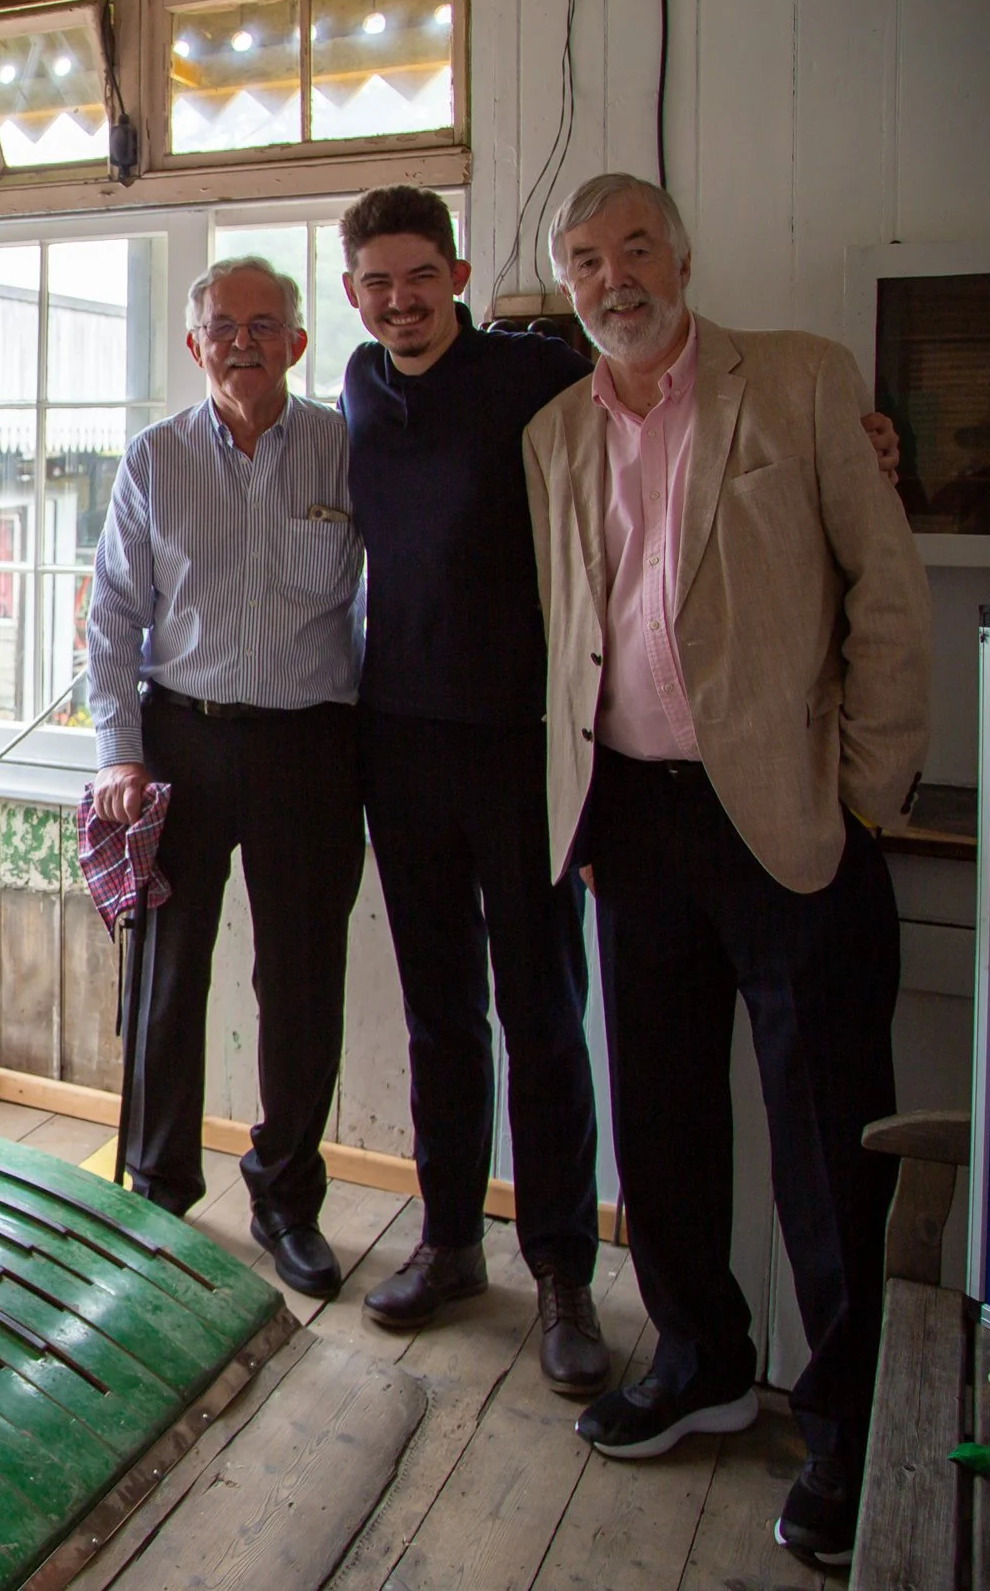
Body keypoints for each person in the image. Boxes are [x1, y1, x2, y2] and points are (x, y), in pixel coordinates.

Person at [524, 172, 928, 1569]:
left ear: (684, 256)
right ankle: (698, 1358)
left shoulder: (805, 383)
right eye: (585, 257)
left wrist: (865, 791)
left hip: (789, 823)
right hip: (630, 825)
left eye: (636, 245)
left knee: (829, 1140)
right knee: (665, 1115)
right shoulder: (553, 430)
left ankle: (854, 1425)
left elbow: (886, 587)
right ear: (566, 283)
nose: (614, 274)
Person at [333, 186, 610, 1391]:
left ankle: (561, 1270)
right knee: (440, 1009)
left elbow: (640, 443)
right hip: (398, 742)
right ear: (353, 294)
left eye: (415, 277)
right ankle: (450, 1240)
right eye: (374, 284)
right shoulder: (354, 381)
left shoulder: (536, 371)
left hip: (521, 742)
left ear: (453, 270)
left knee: (542, 1011)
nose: (398, 302)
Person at [87, 256, 363, 1298]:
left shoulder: (344, 450)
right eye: (221, 325)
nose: (241, 340)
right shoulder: (152, 461)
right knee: (166, 978)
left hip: (310, 748)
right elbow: (113, 616)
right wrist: (119, 749)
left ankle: (287, 1200)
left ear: (297, 341)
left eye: (264, 323)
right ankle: (155, 1194)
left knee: (300, 986)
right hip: (181, 744)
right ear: (195, 342)